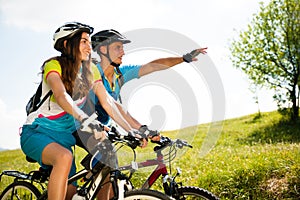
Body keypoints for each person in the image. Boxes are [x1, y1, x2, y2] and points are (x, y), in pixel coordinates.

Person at [20, 22, 148, 200]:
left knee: (73, 191)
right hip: (37, 132)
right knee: (63, 158)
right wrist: (86, 120)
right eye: (84, 42)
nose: (90, 47)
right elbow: (61, 95)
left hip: (65, 139)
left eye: (89, 42)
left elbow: (108, 102)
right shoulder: (53, 65)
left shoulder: (90, 70)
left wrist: (132, 130)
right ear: (66, 44)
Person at [91, 29, 208, 129]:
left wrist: (184, 58)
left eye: (122, 48)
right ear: (103, 50)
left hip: (106, 129)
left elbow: (153, 66)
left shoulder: (121, 74)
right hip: (86, 128)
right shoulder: (91, 73)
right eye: (117, 48)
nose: (123, 52)